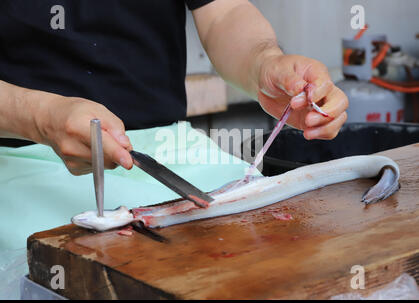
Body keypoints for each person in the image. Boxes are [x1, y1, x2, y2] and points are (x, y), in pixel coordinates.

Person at [0, 0, 348, 176]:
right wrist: (38, 118)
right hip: (17, 160)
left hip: (167, 158)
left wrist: (265, 62)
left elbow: (223, 13)